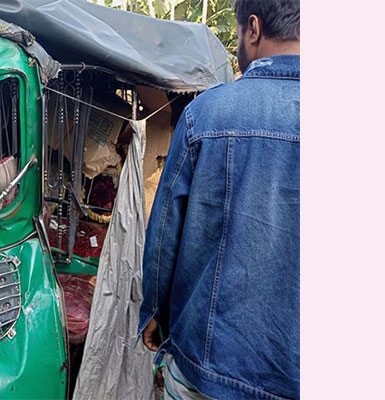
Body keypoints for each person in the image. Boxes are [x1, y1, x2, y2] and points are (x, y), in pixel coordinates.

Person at [138, 1, 300, 399]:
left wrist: (154, 314)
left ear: (253, 29)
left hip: (207, 370)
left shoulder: (206, 115)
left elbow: (163, 242)